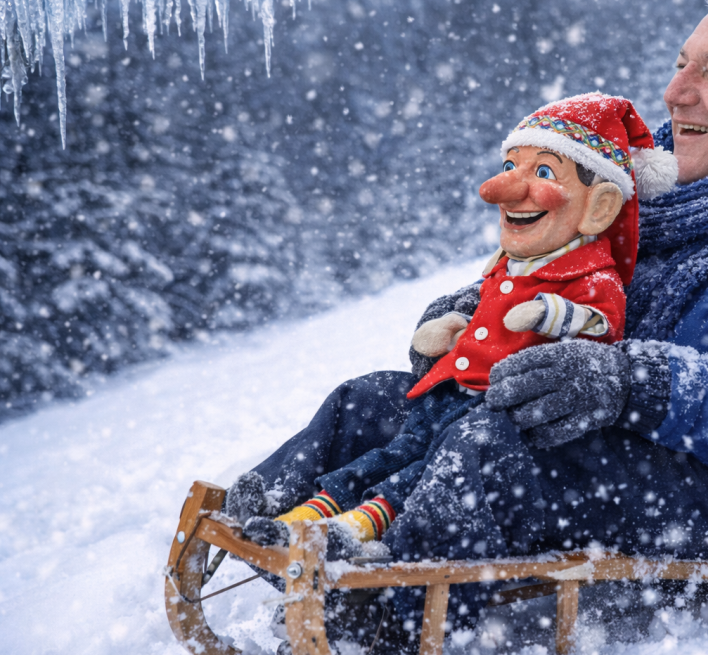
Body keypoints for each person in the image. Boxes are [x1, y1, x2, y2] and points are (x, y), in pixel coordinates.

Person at [225, 0, 708, 650]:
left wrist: (632, 380)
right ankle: (271, 521)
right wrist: (476, 322)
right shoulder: (659, 194)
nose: (674, 90)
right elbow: (557, 276)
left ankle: (385, 625)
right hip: (618, 428)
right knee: (379, 402)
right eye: (681, 63)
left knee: (490, 445)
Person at [228, 93, 676, 556]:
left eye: (543, 172)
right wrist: (450, 327)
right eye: (509, 167)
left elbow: (600, 329)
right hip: (449, 395)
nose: (500, 189)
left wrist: (551, 315)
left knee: (424, 464)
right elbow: (484, 315)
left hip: (505, 422)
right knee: (367, 410)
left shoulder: (593, 277)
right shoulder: (506, 267)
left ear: (599, 207)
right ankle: (288, 500)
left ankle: (366, 543)